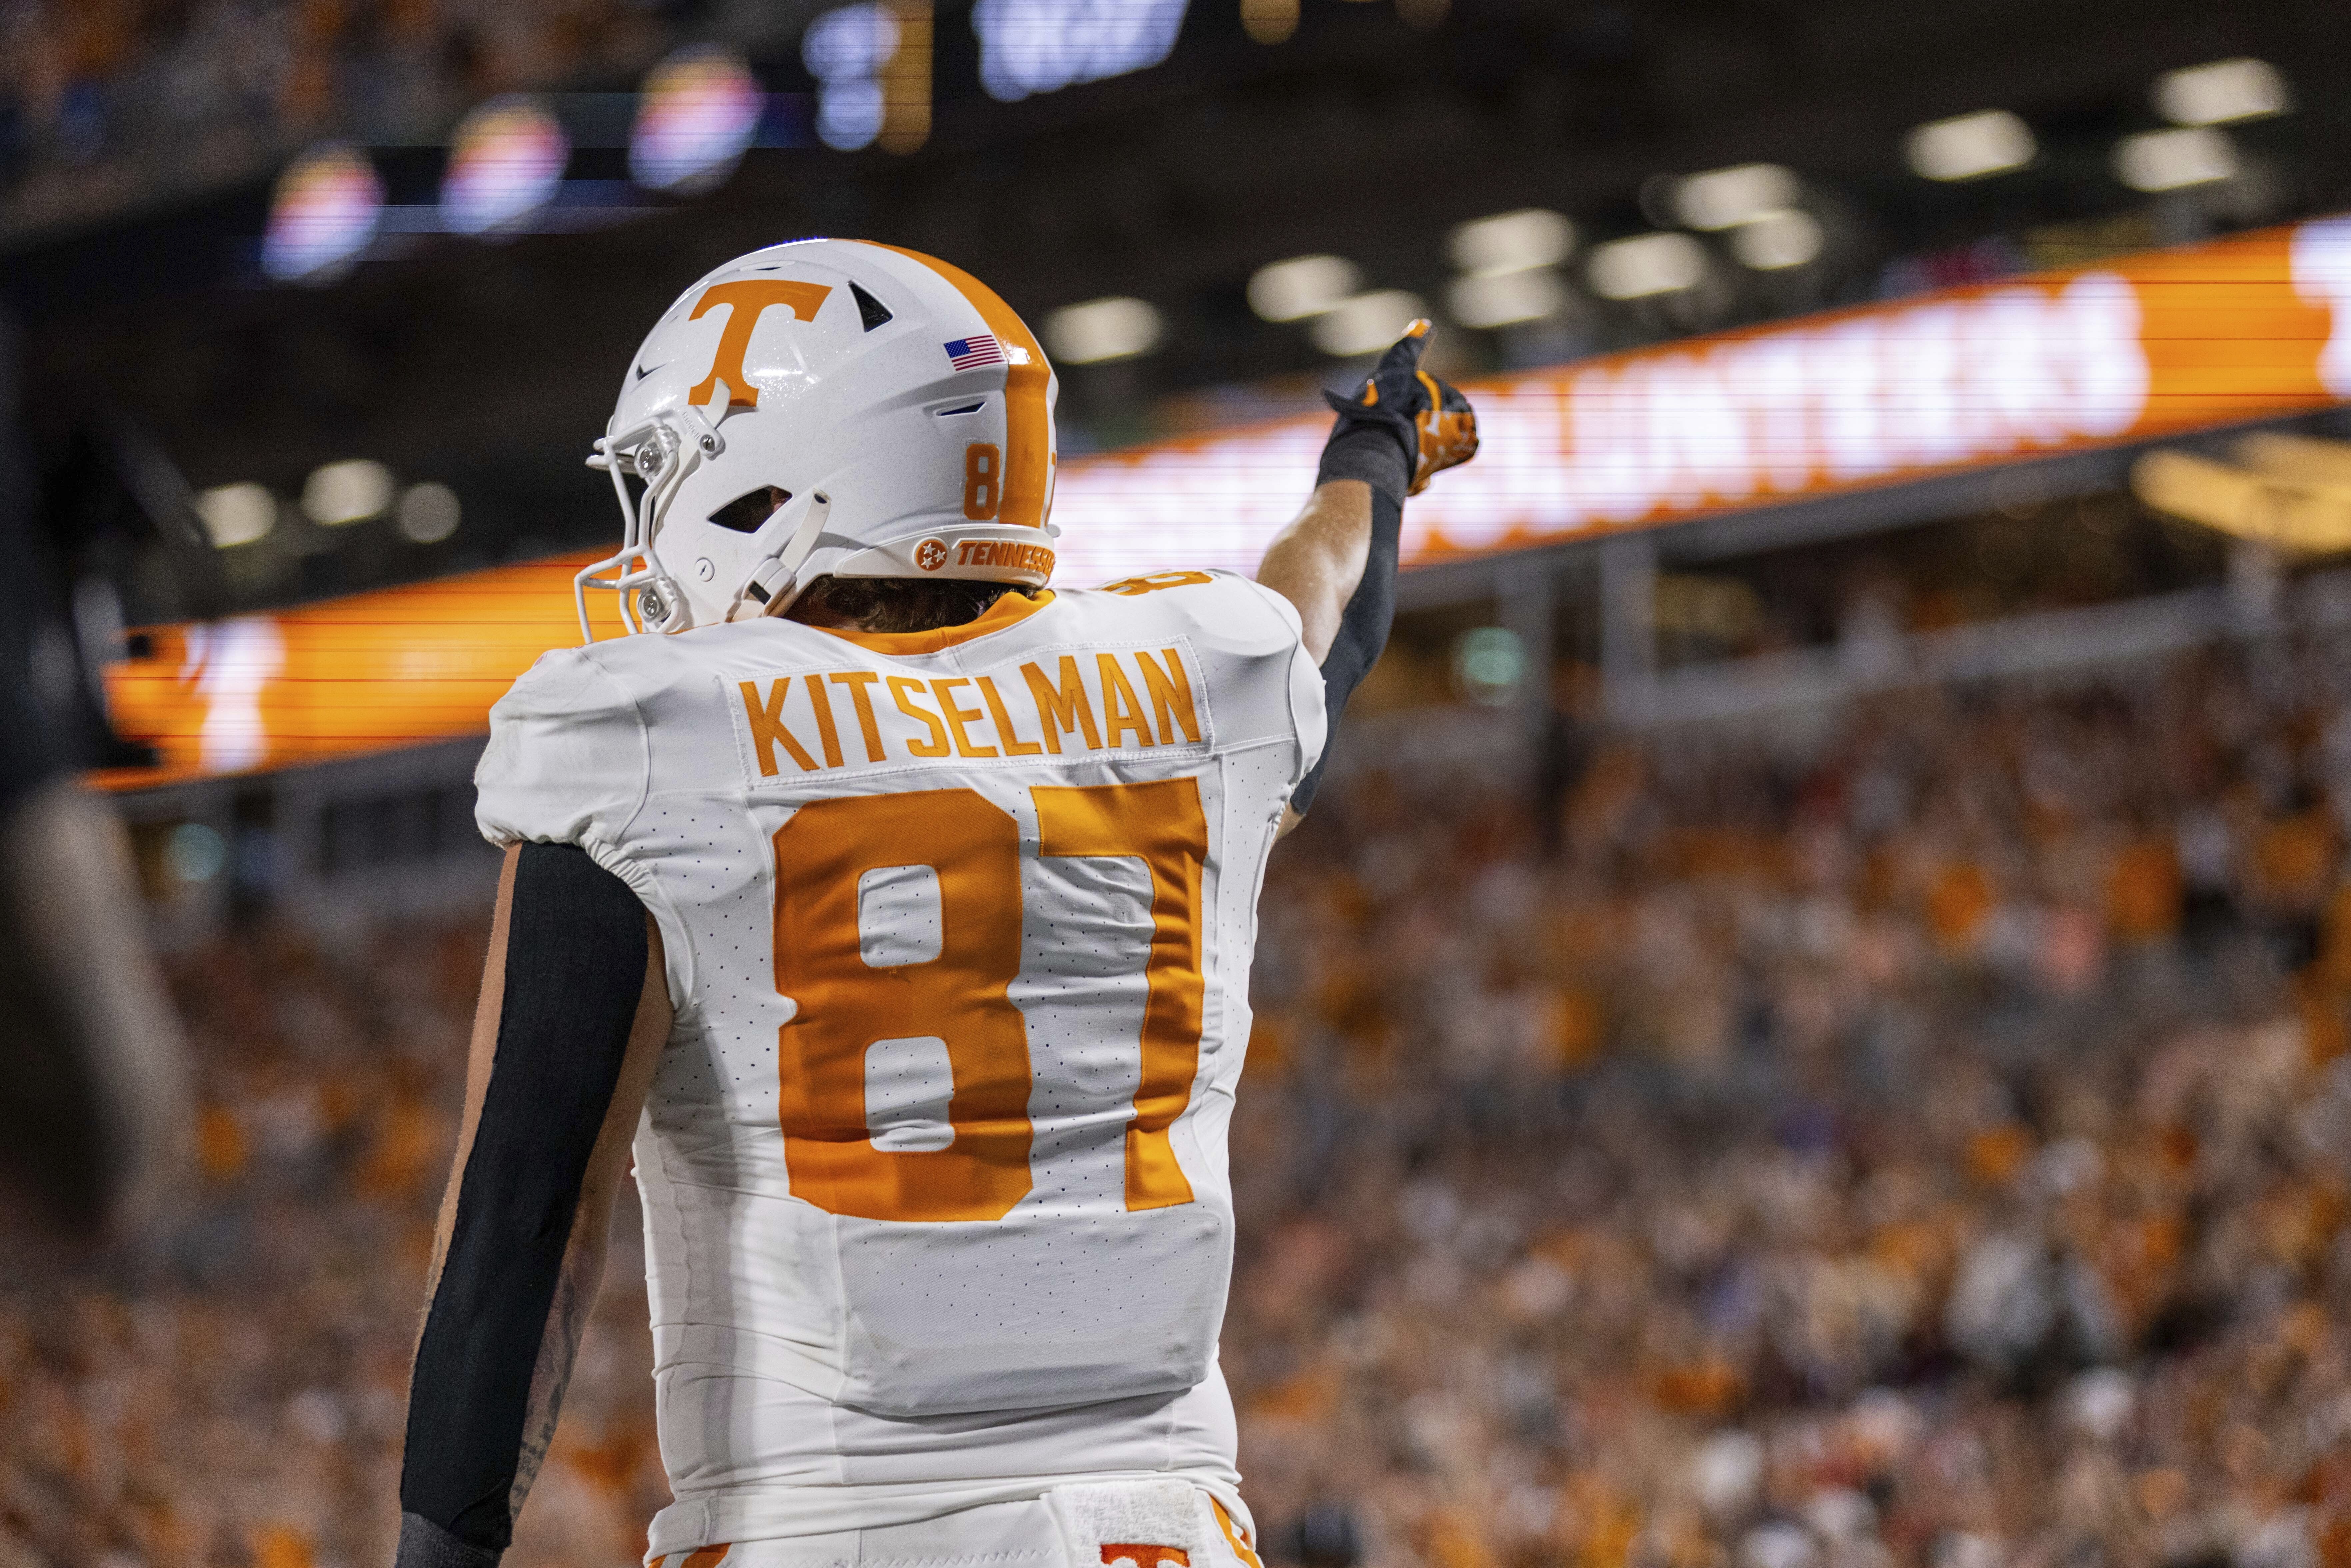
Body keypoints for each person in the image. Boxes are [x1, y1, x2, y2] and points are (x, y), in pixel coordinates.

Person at [393, 239, 1476, 1568]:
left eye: (668, 479)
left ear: (786, 475)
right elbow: (1331, 599)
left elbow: (524, 1221)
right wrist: (1379, 449)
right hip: (1163, 1540)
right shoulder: (1201, 687)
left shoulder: (651, 742)